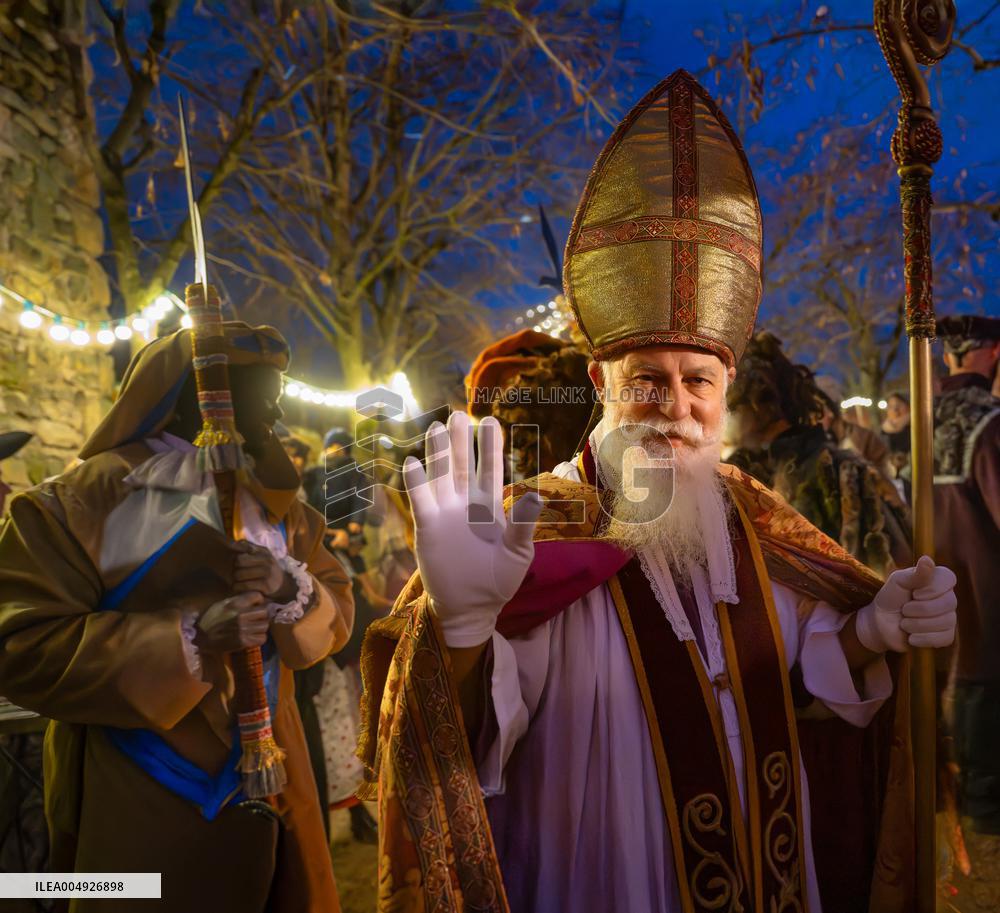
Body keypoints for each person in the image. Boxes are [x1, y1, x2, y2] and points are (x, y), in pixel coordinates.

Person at [357, 71, 958, 913]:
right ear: (601, 380)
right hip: (596, 874)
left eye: (698, 381)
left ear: (727, 383)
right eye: (648, 379)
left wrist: (874, 627)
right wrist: (458, 631)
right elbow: (457, 746)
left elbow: (802, 673)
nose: (675, 407)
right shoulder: (531, 530)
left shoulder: (753, 517)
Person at [0, 323, 354, 913]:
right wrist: (189, 640)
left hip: (274, 765)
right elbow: (21, 646)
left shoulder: (278, 503)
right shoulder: (71, 507)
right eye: (259, 397)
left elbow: (336, 611)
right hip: (135, 781)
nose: (275, 415)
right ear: (198, 396)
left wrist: (287, 585)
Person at [725, 331, 911, 575]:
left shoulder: (838, 471)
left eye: (732, 406)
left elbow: (885, 571)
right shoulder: (740, 468)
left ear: (760, 405)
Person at [931, 315, 1000, 892]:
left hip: (935, 606)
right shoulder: (989, 423)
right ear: (991, 353)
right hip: (988, 613)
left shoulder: (924, 418)